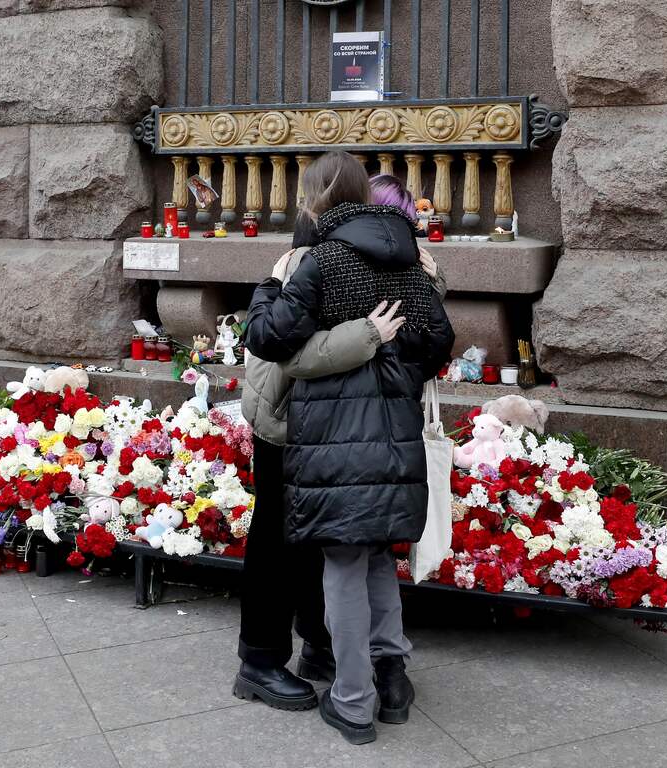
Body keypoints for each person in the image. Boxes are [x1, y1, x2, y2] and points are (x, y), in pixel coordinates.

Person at [244, 151, 455, 745]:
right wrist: (394, 362)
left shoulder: (320, 260)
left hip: (325, 431)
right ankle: (385, 677)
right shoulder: (410, 260)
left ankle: (352, 697)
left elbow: (269, 339)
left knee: (336, 558)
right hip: (391, 429)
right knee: (376, 556)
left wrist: (268, 287)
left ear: (315, 200)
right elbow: (437, 343)